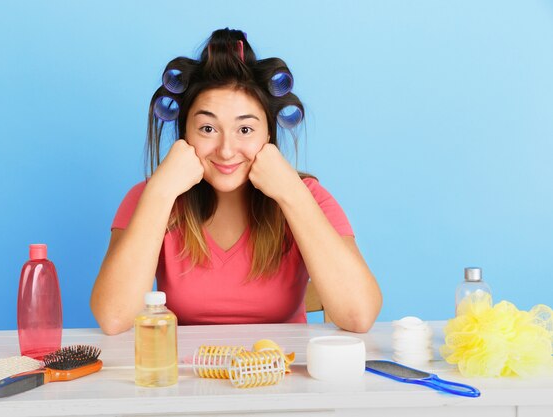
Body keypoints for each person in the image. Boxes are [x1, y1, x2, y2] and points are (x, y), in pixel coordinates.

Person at [90, 28, 382, 335]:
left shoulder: (307, 196)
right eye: (207, 129)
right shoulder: (151, 196)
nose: (226, 150)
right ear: (184, 134)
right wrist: (160, 193)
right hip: (188, 376)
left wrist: (291, 195)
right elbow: (114, 318)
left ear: (268, 135)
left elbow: (359, 315)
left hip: (283, 374)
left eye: (245, 130)